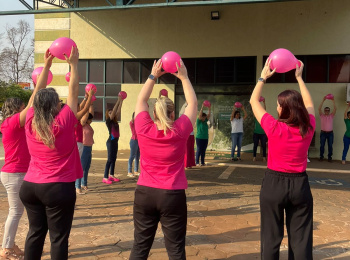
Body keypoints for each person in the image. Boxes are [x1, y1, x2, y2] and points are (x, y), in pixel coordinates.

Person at [19, 46, 82, 260]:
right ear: (56, 106)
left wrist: (46, 65)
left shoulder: (29, 120)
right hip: (57, 189)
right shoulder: (63, 121)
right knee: (58, 238)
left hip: (30, 187)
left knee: (35, 233)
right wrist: (73, 64)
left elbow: (38, 92)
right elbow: (73, 92)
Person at [129, 59, 197, 259]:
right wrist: (183, 77)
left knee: (140, 246)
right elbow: (193, 103)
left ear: (153, 113)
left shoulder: (143, 127)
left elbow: (141, 101)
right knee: (175, 249)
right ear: (174, 114)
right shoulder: (180, 129)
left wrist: (153, 75)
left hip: (145, 193)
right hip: (171, 195)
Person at [250, 59, 315, 260]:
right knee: (301, 239)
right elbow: (310, 104)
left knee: (271, 238)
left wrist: (263, 77)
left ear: (283, 109)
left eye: (278, 105)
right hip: (300, 185)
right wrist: (299, 78)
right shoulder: (308, 127)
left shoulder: (274, 127)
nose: (277, 108)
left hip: (273, 184)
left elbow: (253, 101)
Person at [0, 49, 54, 260]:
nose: (27, 109)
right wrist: (47, 67)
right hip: (15, 173)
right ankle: (5, 248)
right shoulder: (13, 123)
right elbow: (34, 100)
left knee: (18, 211)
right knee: (15, 211)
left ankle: (10, 245)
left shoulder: (10, 123)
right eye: (23, 107)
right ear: (16, 110)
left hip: (17, 172)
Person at [103, 96, 123, 184]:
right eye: (110, 113)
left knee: (114, 158)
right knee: (109, 159)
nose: (112, 113)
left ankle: (111, 175)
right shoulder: (108, 121)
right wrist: (118, 100)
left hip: (115, 142)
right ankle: (105, 177)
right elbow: (115, 111)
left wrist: (121, 101)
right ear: (108, 115)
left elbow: (118, 111)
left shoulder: (115, 121)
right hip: (110, 142)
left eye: (112, 112)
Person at [76, 104, 95, 191]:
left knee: (87, 167)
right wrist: (86, 106)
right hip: (83, 147)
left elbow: (91, 113)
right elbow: (87, 114)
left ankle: (84, 184)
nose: (91, 121)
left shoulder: (89, 126)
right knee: (81, 168)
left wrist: (91, 103)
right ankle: (77, 186)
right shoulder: (82, 124)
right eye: (90, 120)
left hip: (89, 148)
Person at [318, 96, 336, 162]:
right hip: (323, 133)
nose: (327, 111)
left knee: (330, 146)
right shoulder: (322, 116)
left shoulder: (331, 116)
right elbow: (319, 108)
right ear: (324, 111)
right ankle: (321, 157)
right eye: (326, 110)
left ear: (329, 111)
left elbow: (335, 109)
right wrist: (323, 100)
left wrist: (333, 101)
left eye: (328, 110)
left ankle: (329, 157)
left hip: (330, 133)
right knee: (322, 145)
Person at [180, 102, 196, 169]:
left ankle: (190, 163)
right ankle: (186, 164)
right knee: (186, 150)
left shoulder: (191, 115)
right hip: (186, 135)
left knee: (191, 150)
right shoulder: (182, 115)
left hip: (191, 134)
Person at [127, 112, 140, 177]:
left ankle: (136, 171)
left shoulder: (138, 123)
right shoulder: (132, 123)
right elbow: (131, 121)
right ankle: (129, 171)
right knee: (132, 156)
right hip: (134, 141)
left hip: (139, 141)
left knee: (137, 156)